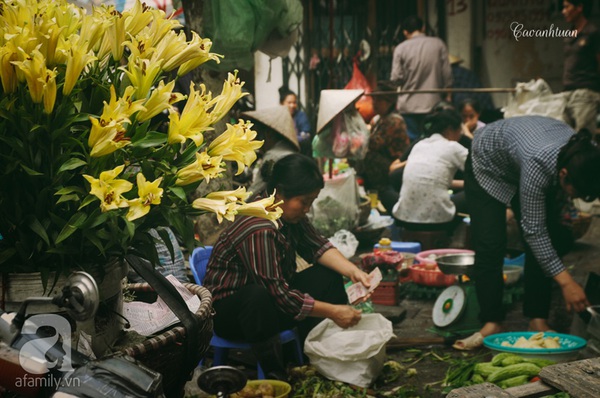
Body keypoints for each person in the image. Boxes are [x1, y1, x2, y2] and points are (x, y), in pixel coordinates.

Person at [203, 153, 372, 379]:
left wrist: (354, 272)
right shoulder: (260, 227)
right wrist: (333, 311)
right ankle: (277, 372)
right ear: (280, 191)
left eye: (311, 202)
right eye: (304, 202)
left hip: (271, 301)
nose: (306, 209)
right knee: (257, 297)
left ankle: (319, 354)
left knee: (327, 276)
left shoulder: (285, 211)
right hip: (233, 314)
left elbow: (316, 246)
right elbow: (280, 295)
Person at [454, 116, 600, 350]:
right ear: (563, 175)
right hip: (488, 164)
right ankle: (491, 321)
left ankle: (537, 318)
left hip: (522, 155)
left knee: (549, 236)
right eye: (575, 193)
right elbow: (533, 231)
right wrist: (566, 282)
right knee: (490, 243)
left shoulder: (583, 154)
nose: (573, 198)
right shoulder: (538, 163)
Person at [391, 109, 468, 233]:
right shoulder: (453, 147)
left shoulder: (419, 145)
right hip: (439, 221)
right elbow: (481, 172)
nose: (460, 136)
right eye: (460, 131)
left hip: (403, 219)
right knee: (477, 191)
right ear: (449, 130)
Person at [390, 15, 452, 142]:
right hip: (433, 104)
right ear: (423, 28)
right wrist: (448, 97)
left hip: (409, 106)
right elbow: (447, 75)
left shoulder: (400, 48)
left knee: (413, 143)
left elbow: (396, 78)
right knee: (433, 141)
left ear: (405, 32)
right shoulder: (438, 44)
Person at [354, 81, 410, 213]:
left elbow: (373, 143)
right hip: (385, 161)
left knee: (368, 156)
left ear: (389, 102)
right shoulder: (379, 119)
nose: (374, 103)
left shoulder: (394, 121)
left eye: (379, 100)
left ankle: (380, 191)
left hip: (394, 165)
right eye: (374, 99)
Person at [242, 105, 300, 197]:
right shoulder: (288, 151)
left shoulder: (273, 156)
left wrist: (239, 205)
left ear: (268, 134)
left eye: (257, 136)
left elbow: (257, 187)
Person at [561, 0, 600, 135]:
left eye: (567, 7)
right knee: (565, 138)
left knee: (584, 139)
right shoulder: (569, 34)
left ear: (579, 8)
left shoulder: (592, 32)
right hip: (567, 93)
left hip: (585, 93)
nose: (563, 11)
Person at [279, 86, 312, 156]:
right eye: (289, 102)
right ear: (281, 103)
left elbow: (306, 135)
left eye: (294, 102)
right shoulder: (278, 117)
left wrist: (290, 140)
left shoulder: (301, 116)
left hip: (299, 151)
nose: (292, 105)